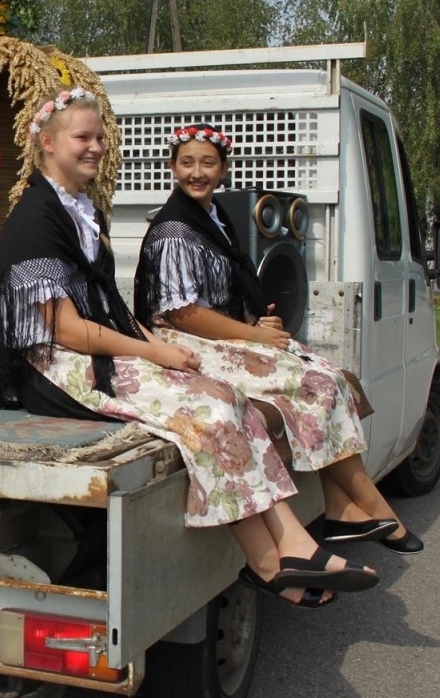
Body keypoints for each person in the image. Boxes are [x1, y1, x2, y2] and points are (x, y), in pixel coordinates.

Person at [0, 89, 378, 608]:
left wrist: (154, 344)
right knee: (209, 409)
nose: (96, 147)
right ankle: (267, 562)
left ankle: (292, 545)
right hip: (56, 369)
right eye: (82, 137)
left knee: (223, 394)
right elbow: (64, 331)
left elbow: (109, 306)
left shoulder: (82, 210)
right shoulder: (35, 218)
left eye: (100, 137)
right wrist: (153, 353)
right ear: (47, 143)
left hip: (91, 350)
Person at [132, 123, 424, 560]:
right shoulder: (175, 229)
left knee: (326, 376)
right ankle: (370, 506)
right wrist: (255, 335)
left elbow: (223, 293)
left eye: (208, 163)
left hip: (216, 333)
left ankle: (346, 507)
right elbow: (182, 312)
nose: (197, 172)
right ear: (172, 168)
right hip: (185, 341)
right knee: (317, 382)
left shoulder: (214, 218)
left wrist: (257, 324)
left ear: (224, 169)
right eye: (187, 163)